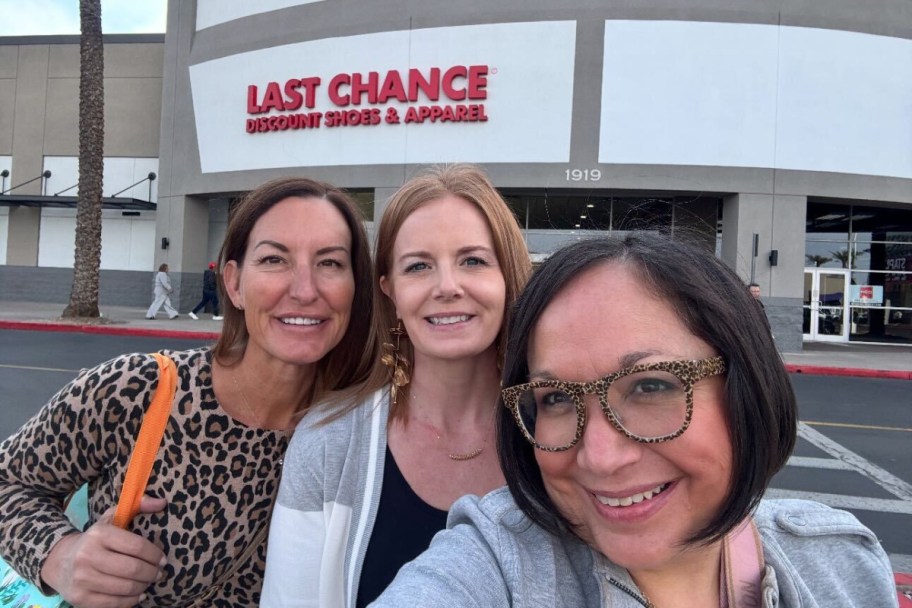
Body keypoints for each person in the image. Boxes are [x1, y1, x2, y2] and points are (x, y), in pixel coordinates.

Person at [369, 233, 897, 608]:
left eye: (651, 386)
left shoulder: (840, 563)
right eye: (556, 398)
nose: (601, 457)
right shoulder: (498, 566)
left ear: (745, 384)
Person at [0, 176, 376, 607]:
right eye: (274, 259)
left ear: (355, 286)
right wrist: (60, 556)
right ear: (234, 283)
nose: (305, 290)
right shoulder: (138, 389)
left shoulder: (363, 431)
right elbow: (7, 480)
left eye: (330, 263)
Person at [261, 164, 532, 607]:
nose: (447, 286)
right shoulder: (328, 444)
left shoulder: (561, 432)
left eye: (473, 261)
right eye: (418, 266)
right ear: (390, 290)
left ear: (507, 276)